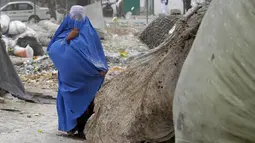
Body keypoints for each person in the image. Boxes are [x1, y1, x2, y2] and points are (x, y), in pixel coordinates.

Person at [47, 5, 108, 139]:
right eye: (74, 16)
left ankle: (84, 129)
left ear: (84, 17)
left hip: (87, 78)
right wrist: (68, 38)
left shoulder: (90, 33)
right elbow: (52, 50)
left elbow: (97, 54)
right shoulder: (64, 32)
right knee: (68, 101)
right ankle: (70, 127)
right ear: (69, 17)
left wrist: (102, 68)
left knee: (87, 101)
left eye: (79, 17)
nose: (76, 20)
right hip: (68, 79)